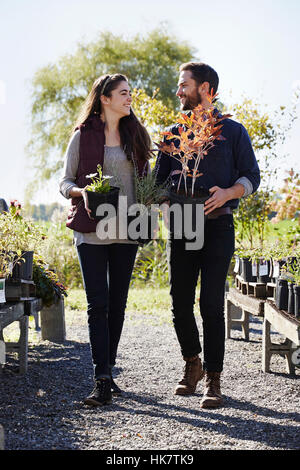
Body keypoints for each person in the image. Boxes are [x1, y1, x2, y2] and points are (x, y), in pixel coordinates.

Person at [155, 62, 260, 408]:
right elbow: (159, 186)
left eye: (183, 84)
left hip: (218, 224)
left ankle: (213, 379)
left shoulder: (233, 131)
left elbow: (251, 177)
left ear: (205, 89)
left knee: (211, 303)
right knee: (179, 302)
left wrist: (229, 193)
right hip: (183, 224)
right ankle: (193, 364)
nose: (178, 91)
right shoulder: (173, 134)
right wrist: (166, 205)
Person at [59, 74, 151, 406]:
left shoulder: (136, 134)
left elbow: (147, 182)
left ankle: (108, 372)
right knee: (98, 304)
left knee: (117, 305)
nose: (129, 98)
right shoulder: (83, 137)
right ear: (105, 98)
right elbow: (65, 182)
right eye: (123, 93)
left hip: (127, 231)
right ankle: (101, 379)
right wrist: (81, 191)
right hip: (92, 231)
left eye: (130, 93)